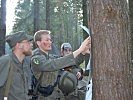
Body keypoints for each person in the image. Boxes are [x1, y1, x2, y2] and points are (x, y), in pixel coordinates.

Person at [31, 30, 91, 100]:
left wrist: (83, 52)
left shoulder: (52, 57)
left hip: (58, 95)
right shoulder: (36, 59)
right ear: (38, 43)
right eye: (47, 40)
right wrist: (79, 50)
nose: (50, 42)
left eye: (50, 40)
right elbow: (53, 65)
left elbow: (70, 63)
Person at [0, 31, 33, 100]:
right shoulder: (6, 61)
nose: (31, 44)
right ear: (19, 45)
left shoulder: (24, 64)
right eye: (28, 42)